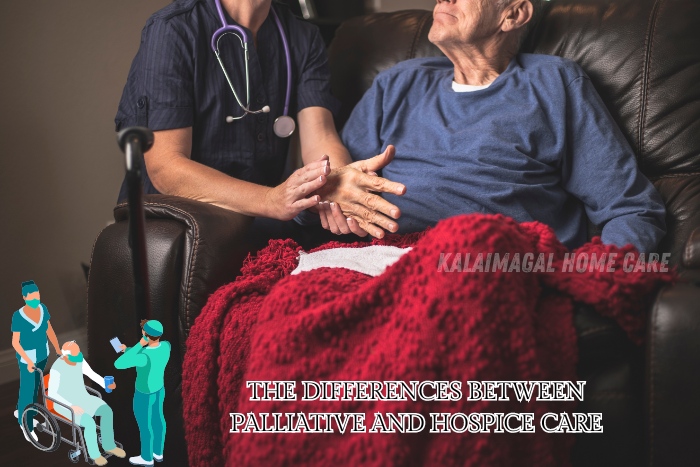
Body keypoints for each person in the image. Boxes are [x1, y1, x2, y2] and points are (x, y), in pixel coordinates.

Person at [322, 0, 666, 253]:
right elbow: (333, 189)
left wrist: (595, 278)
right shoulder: (395, 84)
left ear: (513, 13)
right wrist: (325, 202)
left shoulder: (553, 83)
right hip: (384, 259)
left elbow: (631, 209)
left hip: (492, 266)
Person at [115, 0, 406, 242]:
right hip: (175, 227)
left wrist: (339, 183)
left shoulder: (302, 37)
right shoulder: (172, 29)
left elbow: (321, 136)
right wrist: (270, 200)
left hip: (256, 222)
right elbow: (166, 168)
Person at [48, 341, 125, 466]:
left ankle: (109, 445)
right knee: (89, 423)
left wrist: (106, 384)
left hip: (82, 398)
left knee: (107, 411)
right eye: (75, 354)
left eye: (79, 352)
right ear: (66, 356)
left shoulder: (80, 360)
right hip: (64, 404)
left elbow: (92, 374)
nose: (78, 356)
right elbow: (52, 394)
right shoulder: (57, 368)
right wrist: (71, 405)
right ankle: (95, 455)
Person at [114, 320, 171, 467]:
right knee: (158, 420)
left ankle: (147, 458)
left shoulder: (143, 356)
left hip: (144, 394)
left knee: (145, 426)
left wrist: (139, 345)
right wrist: (127, 349)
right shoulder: (166, 346)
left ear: (145, 335)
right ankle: (158, 452)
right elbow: (151, 351)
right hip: (159, 390)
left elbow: (119, 364)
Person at [11, 280, 61, 442]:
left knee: (35, 388)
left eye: (37, 296)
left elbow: (49, 329)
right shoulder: (18, 316)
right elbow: (15, 343)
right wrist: (26, 360)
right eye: (31, 297)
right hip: (28, 359)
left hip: (42, 354)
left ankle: (23, 411)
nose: (35, 299)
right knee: (27, 389)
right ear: (24, 298)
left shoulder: (42, 309)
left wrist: (57, 348)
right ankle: (26, 425)